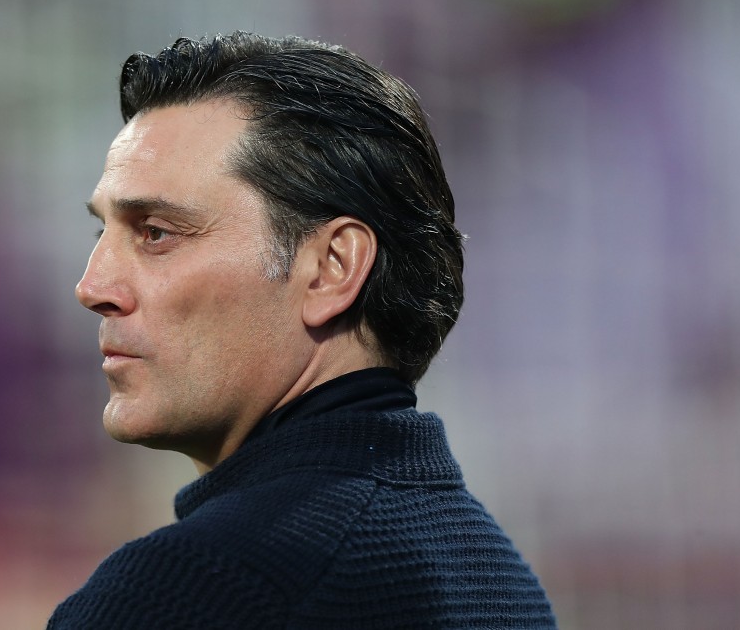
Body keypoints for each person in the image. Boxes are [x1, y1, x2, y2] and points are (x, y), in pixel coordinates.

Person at [47, 32, 556, 629]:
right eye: (101, 233)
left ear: (331, 268)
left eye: (156, 232)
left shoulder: (191, 591)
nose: (92, 287)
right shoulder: (504, 585)